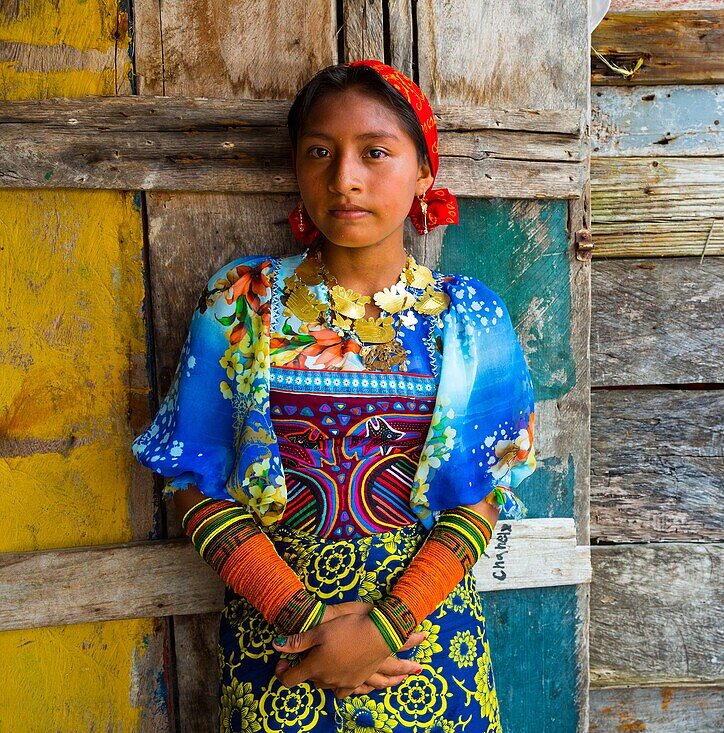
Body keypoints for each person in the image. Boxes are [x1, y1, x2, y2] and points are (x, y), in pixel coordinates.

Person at [131, 59, 538, 732]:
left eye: (375, 152)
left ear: (424, 174)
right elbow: (193, 482)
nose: (344, 177)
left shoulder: (468, 319)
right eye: (320, 151)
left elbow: (483, 495)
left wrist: (384, 627)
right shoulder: (243, 299)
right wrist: (306, 618)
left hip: (424, 646)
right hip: (282, 646)